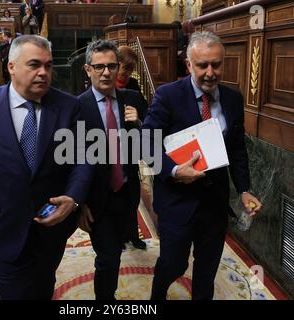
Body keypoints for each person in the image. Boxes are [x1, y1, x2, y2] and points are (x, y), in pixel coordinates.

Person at [0, 35, 93, 300]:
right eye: (34, 64)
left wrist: (73, 198)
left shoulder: (69, 106)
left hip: (51, 228)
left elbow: (83, 158)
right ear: (11, 66)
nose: (43, 73)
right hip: (2, 227)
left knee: (43, 286)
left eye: (48, 66)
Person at [142, 31, 262, 300]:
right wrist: (173, 170)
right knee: (174, 264)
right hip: (177, 202)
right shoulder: (168, 95)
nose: (210, 72)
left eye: (216, 64)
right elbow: (145, 144)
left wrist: (244, 189)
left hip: (215, 204)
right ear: (188, 65)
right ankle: (156, 296)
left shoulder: (233, 99)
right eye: (202, 65)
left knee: (207, 271)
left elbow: (237, 148)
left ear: (223, 62)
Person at [78, 40, 147, 300]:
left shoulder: (132, 99)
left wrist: (139, 124)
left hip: (127, 192)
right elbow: (72, 161)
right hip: (97, 198)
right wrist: (79, 204)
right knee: (107, 257)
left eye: (111, 66)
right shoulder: (78, 107)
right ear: (88, 70)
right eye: (99, 67)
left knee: (116, 250)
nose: (106, 72)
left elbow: (149, 147)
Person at [116, 45, 147, 250]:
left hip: (130, 145)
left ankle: (132, 234)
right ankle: (119, 237)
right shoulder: (105, 85)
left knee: (133, 195)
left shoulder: (134, 86)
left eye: (130, 68)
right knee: (116, 196)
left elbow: (145, 114)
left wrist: (137, 119)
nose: (127, 72)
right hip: (107, 146)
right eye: (124, 67)